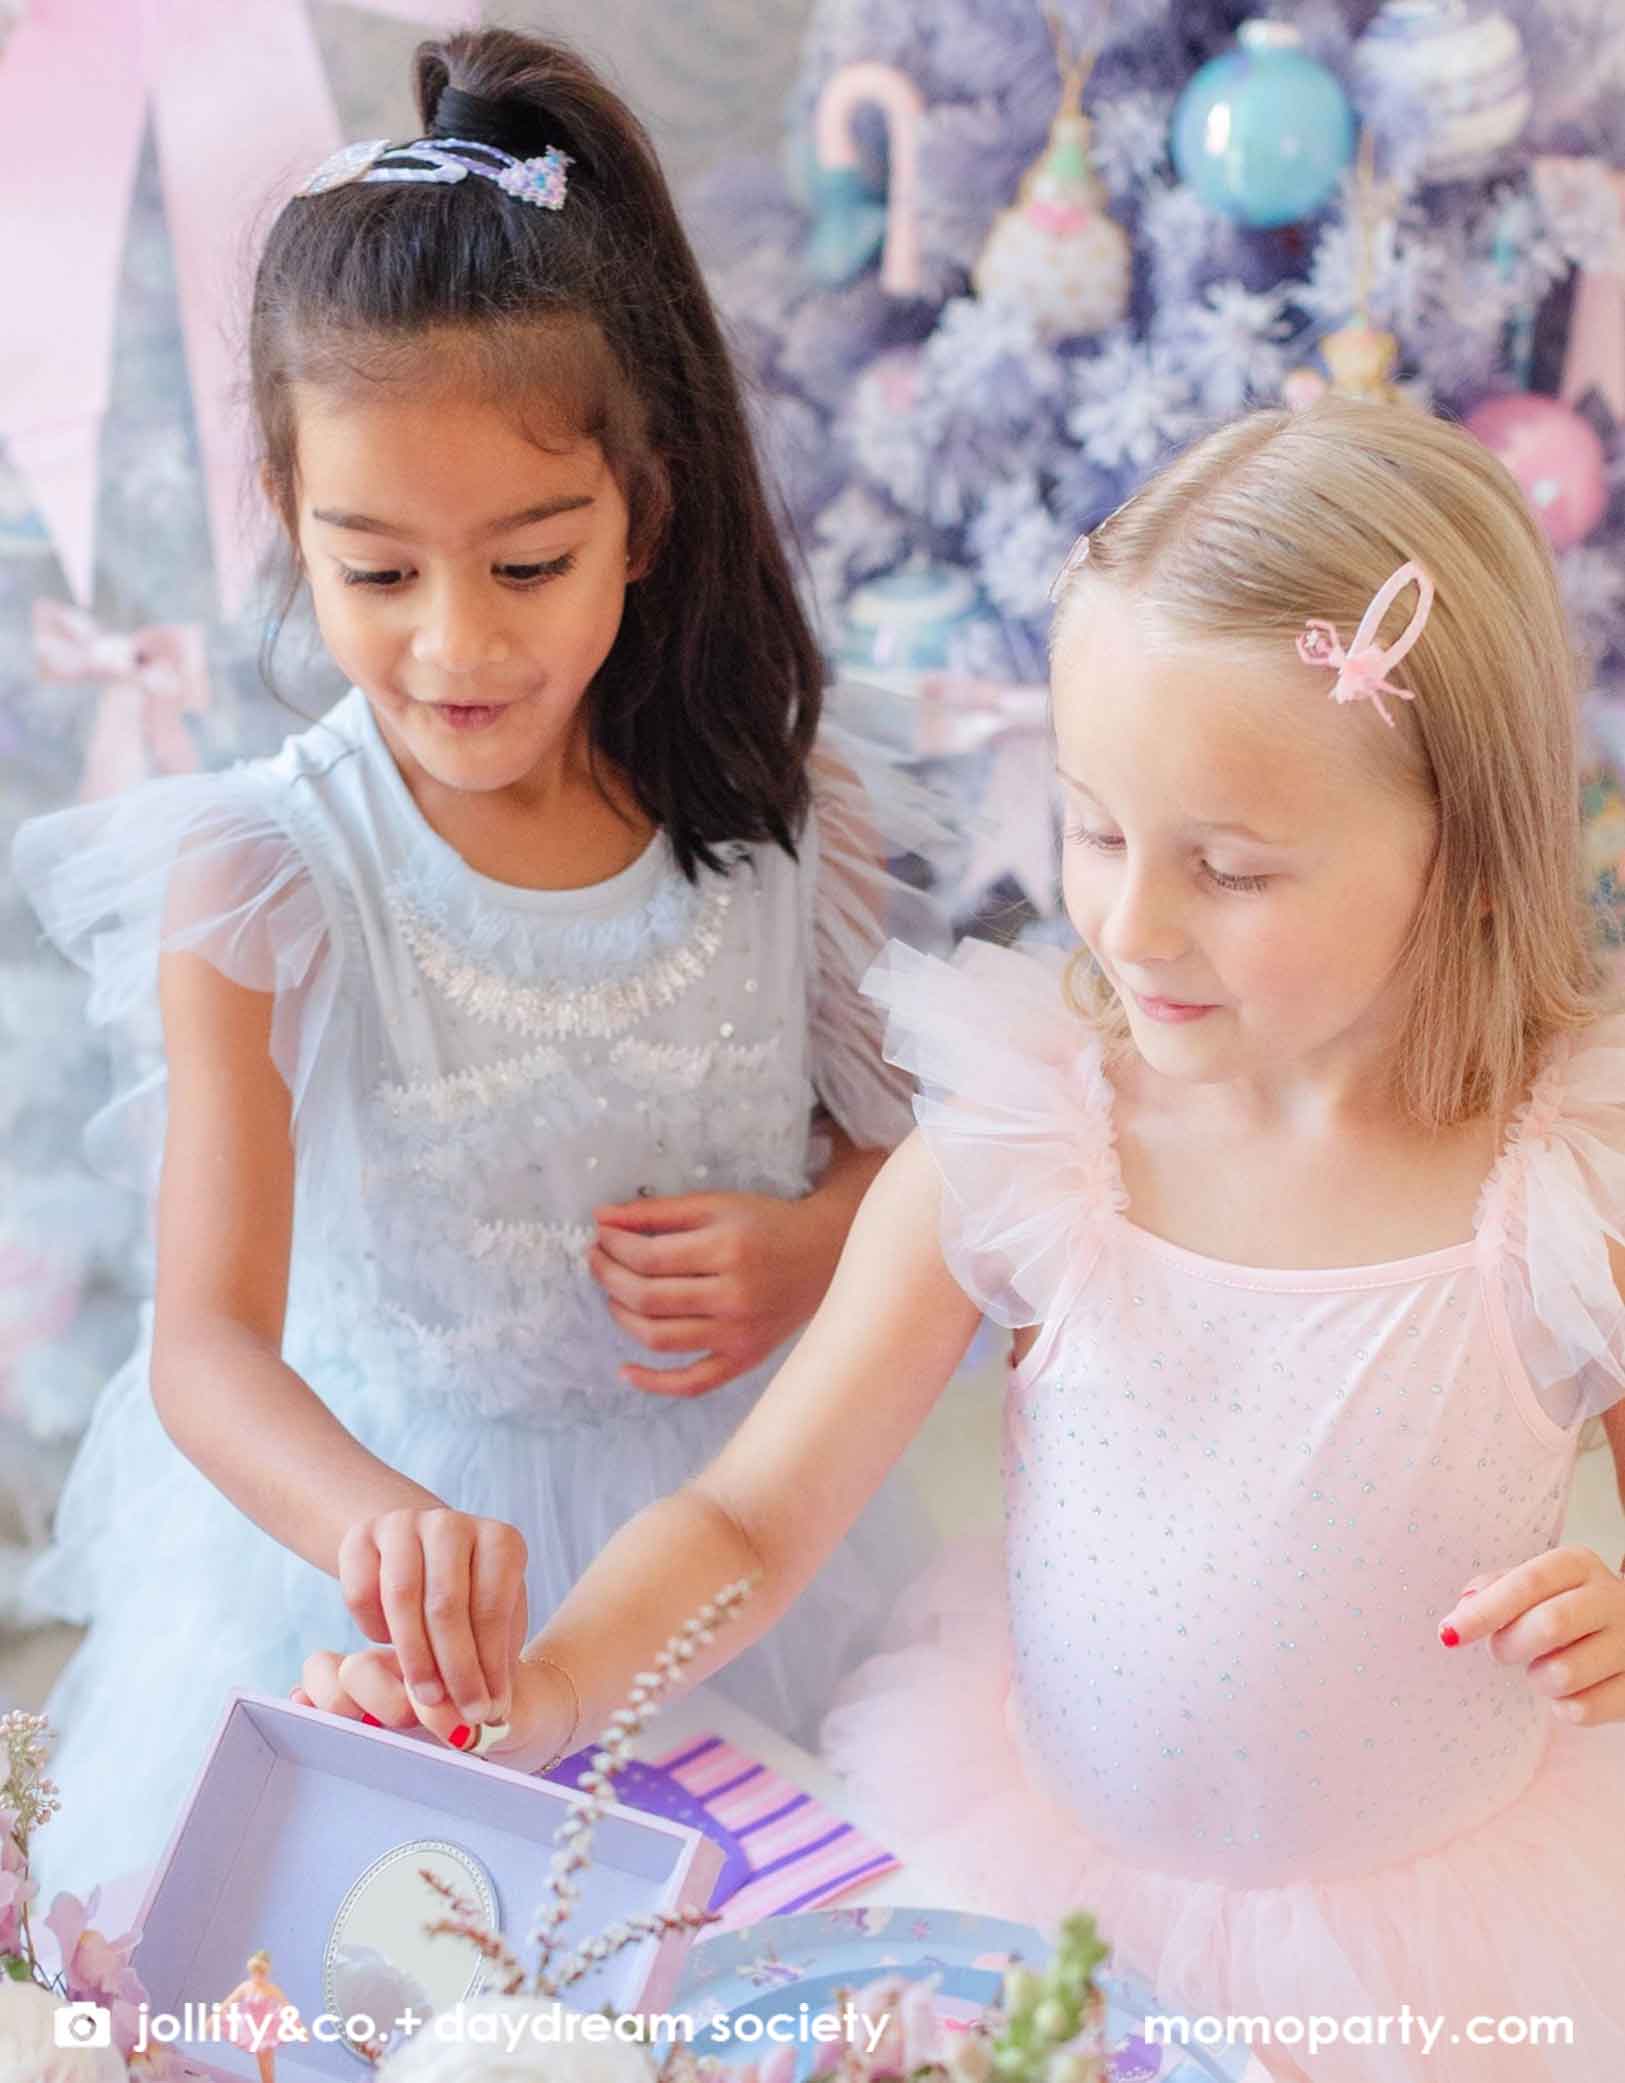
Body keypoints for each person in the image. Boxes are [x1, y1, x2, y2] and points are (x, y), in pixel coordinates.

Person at [305, 399, 1625, 2081]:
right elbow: (748, 1514)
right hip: (1053, 1900)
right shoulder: (1029, 1140)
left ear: (1460, 848)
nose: (1129, 922)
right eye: (1091, 828)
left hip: (1435, 1957)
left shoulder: (1567, 1181)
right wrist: (554, 1691)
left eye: (1225, 866)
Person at [12, 26, 947, 1895]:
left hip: (729, 1540)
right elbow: (203, 1342)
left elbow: (928, 1165)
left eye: (528, 565)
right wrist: (376, 1521)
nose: (456, 646)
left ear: (640, 513)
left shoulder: (786, 818)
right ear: (286, 519)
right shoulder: (265, 874)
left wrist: (810, 1236)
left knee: (736, 1947)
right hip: (378, 1575)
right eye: (378, 572)